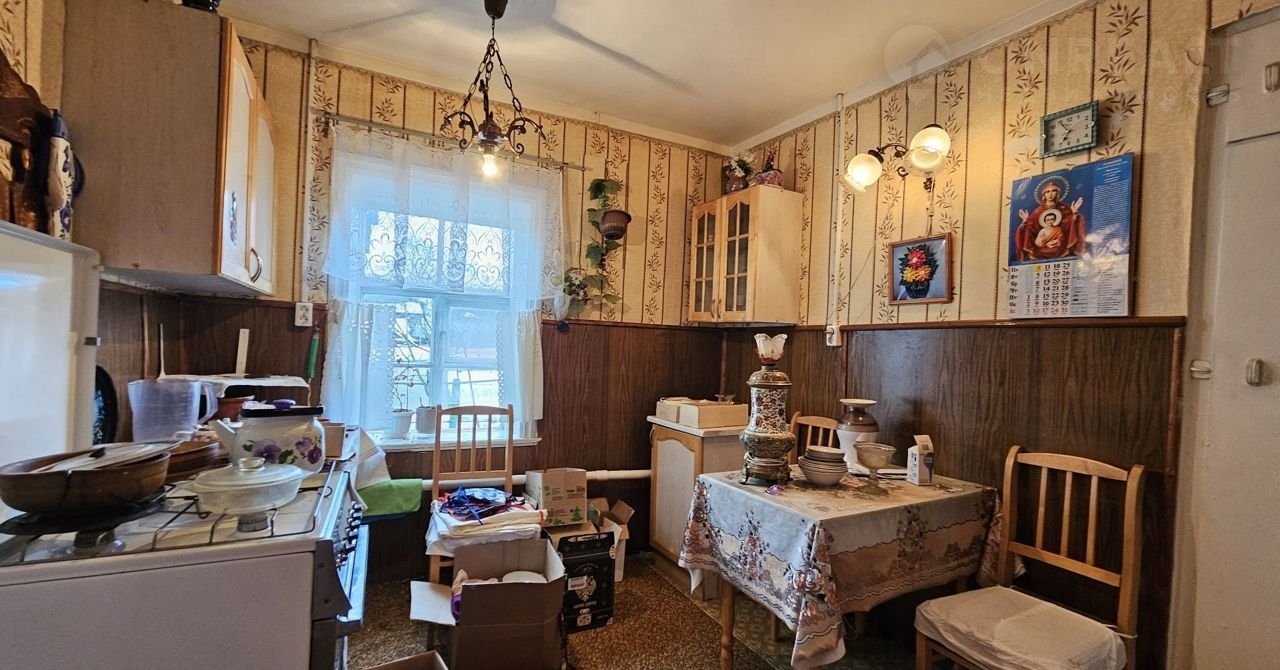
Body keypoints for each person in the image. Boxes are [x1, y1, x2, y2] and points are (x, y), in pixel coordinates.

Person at [1015, 179, 1084, 262]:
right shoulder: (1037, 212)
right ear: (1043, 195)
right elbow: (1030, 229)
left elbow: (1070, 226)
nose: (1050, 194)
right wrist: (1025, 222)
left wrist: (1075, 214)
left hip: (1060, 246)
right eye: (1047, 192)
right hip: (1041, 248)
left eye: (1053, 191)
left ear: (1057, 193)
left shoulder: (1065, 209)